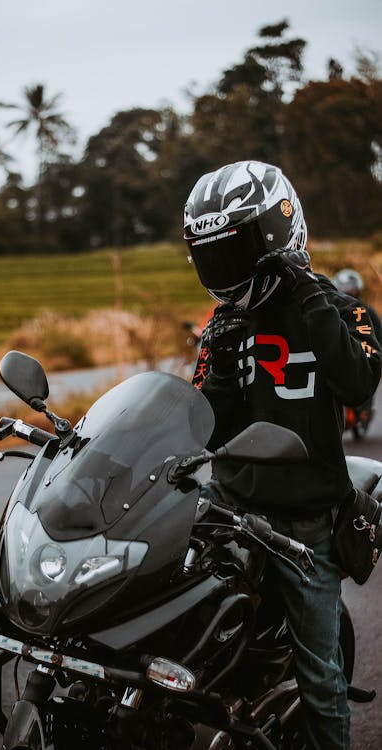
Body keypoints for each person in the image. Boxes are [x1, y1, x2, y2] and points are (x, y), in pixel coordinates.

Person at [183, 160, 381, 750]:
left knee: (321, 674)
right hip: (226, 503)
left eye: (235, 249)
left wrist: (304, 292)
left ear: (276, 236)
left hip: (304, 521)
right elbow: (205, 427)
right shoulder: (223, 323)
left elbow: (357, 385)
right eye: (210, 253)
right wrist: (216, 362)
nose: (223, 268)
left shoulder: (345, 311)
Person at [332, 268, 382, 436]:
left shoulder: (368, 312)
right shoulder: (332, 310)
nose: (348, 292)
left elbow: (378, 337)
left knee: (369, 371)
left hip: (363, 352)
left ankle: (365, 410)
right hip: (343, 354)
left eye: (351, 289)